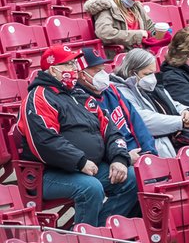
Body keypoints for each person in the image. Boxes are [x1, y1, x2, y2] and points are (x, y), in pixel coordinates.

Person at [18, 45, 140, 227]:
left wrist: (119, 158)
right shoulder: (39, 97)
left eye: (75, 63)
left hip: (89, 168)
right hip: (48, 174)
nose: (75, 69)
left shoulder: (79, 94)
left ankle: (99, 231)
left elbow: (110, 129)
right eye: (68, 64)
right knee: (90, 188)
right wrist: (80, 162)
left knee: (131, 177)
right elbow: (45, 141)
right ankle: (87, 237)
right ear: (53, 70)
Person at [113, 48, 189, 158]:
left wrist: (185, 112)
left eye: (153, 72)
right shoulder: (120, 91)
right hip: (155, 145)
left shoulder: (151, 85)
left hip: (173, 136)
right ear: (131, 72)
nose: (151, 77)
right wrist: (180, 122)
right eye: (147, 73)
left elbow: (173, 103)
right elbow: (142, 119)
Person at [76, 47, 155, 162]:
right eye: (98, 71)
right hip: (116, 159)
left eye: (103, 69)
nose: (103, 74)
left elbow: (135, 122)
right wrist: (124, 157)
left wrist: (149, 152)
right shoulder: (79, 100)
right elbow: (95, 142)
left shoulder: (111, 89)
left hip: (136, 152)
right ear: (82, 74)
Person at [84, 0, 169, 50]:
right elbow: (104, 33)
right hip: (123, 55)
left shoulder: (136, 5)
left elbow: (149, 26)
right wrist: (137, 35)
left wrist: (160, 33)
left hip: (141, 52)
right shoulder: (106, 7)